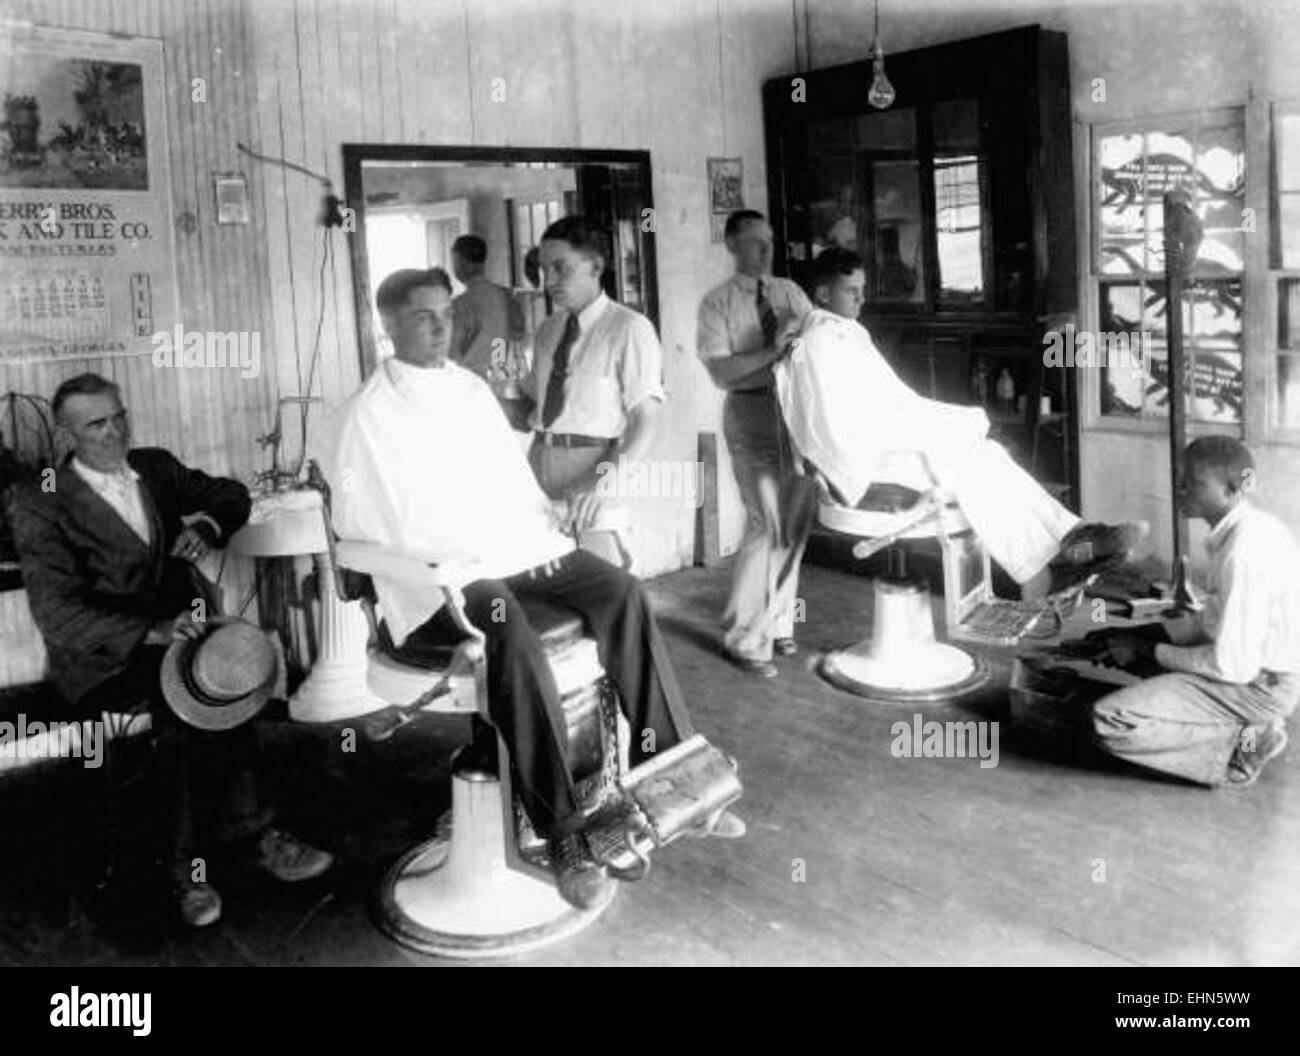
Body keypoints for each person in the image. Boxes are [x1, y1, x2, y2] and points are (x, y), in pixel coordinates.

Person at [326, 268, 742, 911]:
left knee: (622, 593)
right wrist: (444, 558)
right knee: (508, 627)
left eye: (446, 314)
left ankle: (670, 774)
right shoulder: (366, 414)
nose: (443, 328)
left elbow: (508, 481)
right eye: (423, 317)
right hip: (441, 575)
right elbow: (360, 529)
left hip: (514, 547)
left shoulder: (467, 388)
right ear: (388, 325)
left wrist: (547, 510)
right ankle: (565, 829)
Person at [7, 373, 333, 928]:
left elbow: (230, 494)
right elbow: (59, 616)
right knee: (184, 709)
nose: (113, 433)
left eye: (119, 417)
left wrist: (206, 523)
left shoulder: (155, 468)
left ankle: (260, 834)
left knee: (227, 680)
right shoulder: (41, 500)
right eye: (95, 425)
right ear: (66, 432)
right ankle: (188, 871)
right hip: (106, 656)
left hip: (181, 635)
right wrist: (153, 631)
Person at [779, 246, 1148, 599]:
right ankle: (1040, 570)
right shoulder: (817, 342)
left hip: (888, 445)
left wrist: (930, 423)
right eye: (851, 291)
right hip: (866, 461)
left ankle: (1072, 537)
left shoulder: (846, 333)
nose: (860, 300)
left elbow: (889, 402)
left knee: (988, 455)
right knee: (972, 464)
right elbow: (835, 424)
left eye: (862, 291)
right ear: (824, 292)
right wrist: (927, 426)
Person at [1085, 438, 1300, 787]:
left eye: (1194, 481)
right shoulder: (1244, 531)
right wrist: (1146, 634)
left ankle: (1242, 747)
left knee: (1110, 719)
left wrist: (1144, 649)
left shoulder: (1243, 554)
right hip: (1257, 672)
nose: (1180, 488)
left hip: (1258, 686)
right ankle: (1247, 726)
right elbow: (1211, 621)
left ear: (1232, 490)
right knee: (1137, 656)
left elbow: (1230, 666)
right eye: (1180, 477)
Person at [697, 209, 817, 677]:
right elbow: (722, 371)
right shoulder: (717, 304)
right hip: (751, 411)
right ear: (731, 246)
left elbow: (818, 347)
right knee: (764, 522)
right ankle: (745, 638)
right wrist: (774, 349)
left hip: (797, 414)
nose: (765, 250)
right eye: (753, 242)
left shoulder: (791, 293)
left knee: (795, 523)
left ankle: (779, 620)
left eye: (768, 240)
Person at [525, 215, 665, 569]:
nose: (549, 281)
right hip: (540, 464)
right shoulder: (547, 330)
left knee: (604, 588)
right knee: (547, 583)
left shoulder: (629, 328)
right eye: (544, 270)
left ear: (596, 265)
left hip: (594, 471)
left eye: (560, 268)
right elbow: (536, 408)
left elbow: (644, 425)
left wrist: (597, 483)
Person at [450, 235, 530, 430]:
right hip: (505, 382)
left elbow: (451, 354)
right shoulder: (505, 297)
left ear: (460, 261)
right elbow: (514, 336)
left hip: (471, 387)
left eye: (454, 262)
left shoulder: (461, 305)